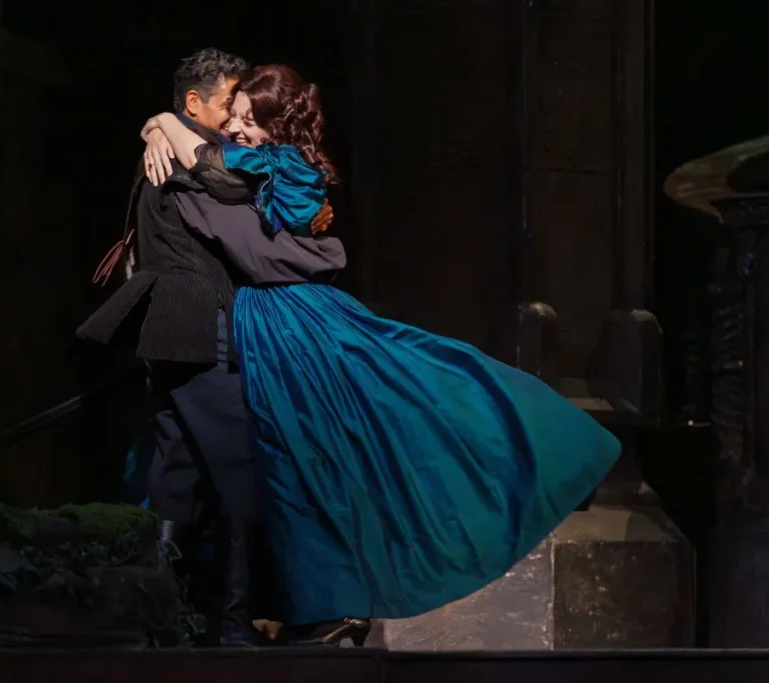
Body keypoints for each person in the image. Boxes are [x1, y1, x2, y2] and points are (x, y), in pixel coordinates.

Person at [139, 63, 622, 646]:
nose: (236, 129)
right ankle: (296, 608)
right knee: (297, 466)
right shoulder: (224, 168)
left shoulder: (275, 166)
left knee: (405, 395)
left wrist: (170, 124)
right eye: (232, 116)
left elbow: (261, 247)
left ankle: (542, 452)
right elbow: (239, 206)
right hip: (267, 333)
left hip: (295, 326)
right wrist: (161, 124)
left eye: (249, 119)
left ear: (278, 124)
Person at [77, 49, 337, 647]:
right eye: (225, 105)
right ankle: (233, 621)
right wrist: (162, 123)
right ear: (194, 103)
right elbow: (228, 178)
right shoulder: (187, 154)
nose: (231, 120)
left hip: (171, 334)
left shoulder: (167, 146)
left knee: (177, 471)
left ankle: (164, 618)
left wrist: (156, 123)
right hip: (198, 329)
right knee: (241, 470)